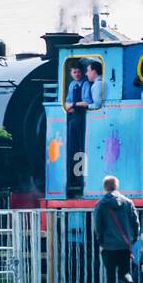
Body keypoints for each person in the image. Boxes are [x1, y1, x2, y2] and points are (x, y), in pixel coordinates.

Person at [93, 175, 140, 283]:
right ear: (116, 186)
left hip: (108, 246)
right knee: (125, 272)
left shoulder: (100, 204)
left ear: (104, 187)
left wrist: (101, 241)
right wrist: (133, 239)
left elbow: (98, 225)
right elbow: (136, 223)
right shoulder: (128, 203)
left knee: (110, 275)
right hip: (124, 245)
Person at [65, 62, 88, 198]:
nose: (77, 74)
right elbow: (67, 104)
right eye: (74, 72)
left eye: (78, 72)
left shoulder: (85, 84)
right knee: (73, 149)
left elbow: (86, 102)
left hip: (82, 119)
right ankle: (73, 178)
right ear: (71, 73)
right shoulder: (72, 85)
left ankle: (80, 180)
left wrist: (73, 105)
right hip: (73, 118)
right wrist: (73, 105)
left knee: (81, 149)